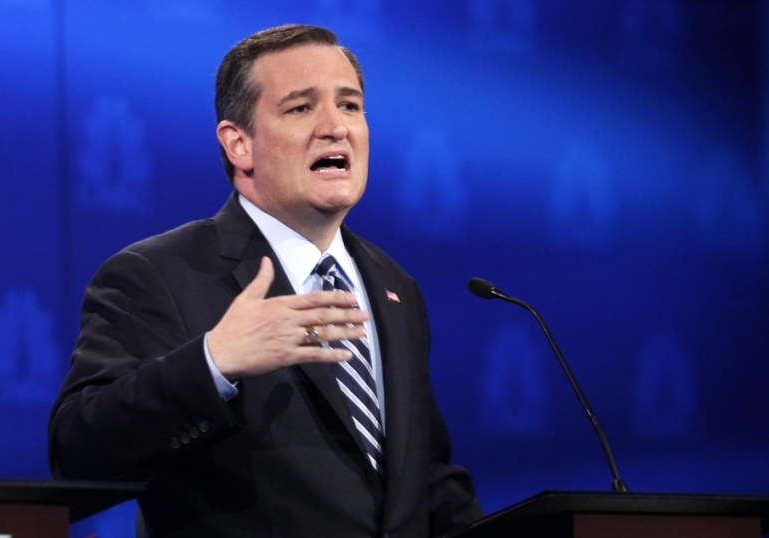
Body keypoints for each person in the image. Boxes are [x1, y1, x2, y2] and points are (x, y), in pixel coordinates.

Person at [49, 24, 483, 538]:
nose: (335, 127)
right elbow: (77, 447)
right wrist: (213, 362)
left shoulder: (395, 286)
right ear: (239, 144)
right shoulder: (157, 274)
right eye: (301, 108)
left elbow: (423, 478)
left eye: (349, 105)